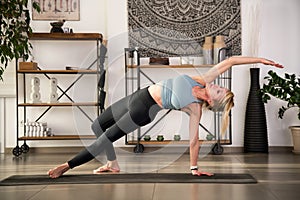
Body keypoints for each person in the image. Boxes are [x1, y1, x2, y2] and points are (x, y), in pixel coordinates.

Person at [48, 56, 283, 178]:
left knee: (107, 136)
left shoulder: (195, 108)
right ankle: (113, 164)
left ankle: (67, 166)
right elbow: (230, 62)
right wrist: (260, 60)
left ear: (212, 101)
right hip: (137, 95)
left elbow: (193, 140)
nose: (218, 86)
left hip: (143, 111)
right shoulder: (203, 80)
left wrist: (193, 168)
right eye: (220, 87)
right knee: (97, 125)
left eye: (219, 91)